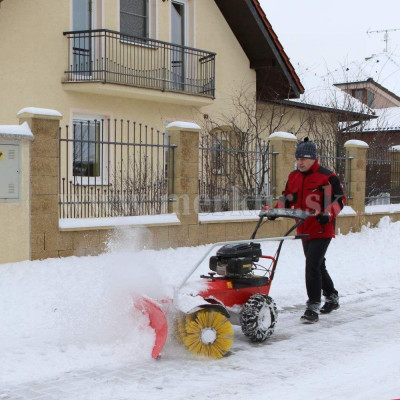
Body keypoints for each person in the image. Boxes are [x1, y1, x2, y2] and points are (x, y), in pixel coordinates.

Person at [275, 137, 346, 323]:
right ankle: (332, 296)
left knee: (312, 265)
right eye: (298, 159)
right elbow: (288, 197)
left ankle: (313, 306)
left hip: (322, 228)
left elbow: (339, 200)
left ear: (314, 159)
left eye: (304, 159)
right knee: (318, 264)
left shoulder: (327, 177)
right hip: (304, 228)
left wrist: (328, 214)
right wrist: (276, 209)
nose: (300, 162)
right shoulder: (294, 176)